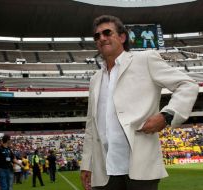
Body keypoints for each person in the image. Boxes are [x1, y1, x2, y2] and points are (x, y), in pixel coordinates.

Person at [80, 15, 199, 190]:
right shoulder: (95, 79)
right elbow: (91, 125)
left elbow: (188, 85)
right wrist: (86, 164)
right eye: (97, 36)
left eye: (107, 32)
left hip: (140, 167)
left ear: (122, 37)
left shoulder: (145, 60)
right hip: (105, 170)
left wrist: (167, 115)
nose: (102, 38)